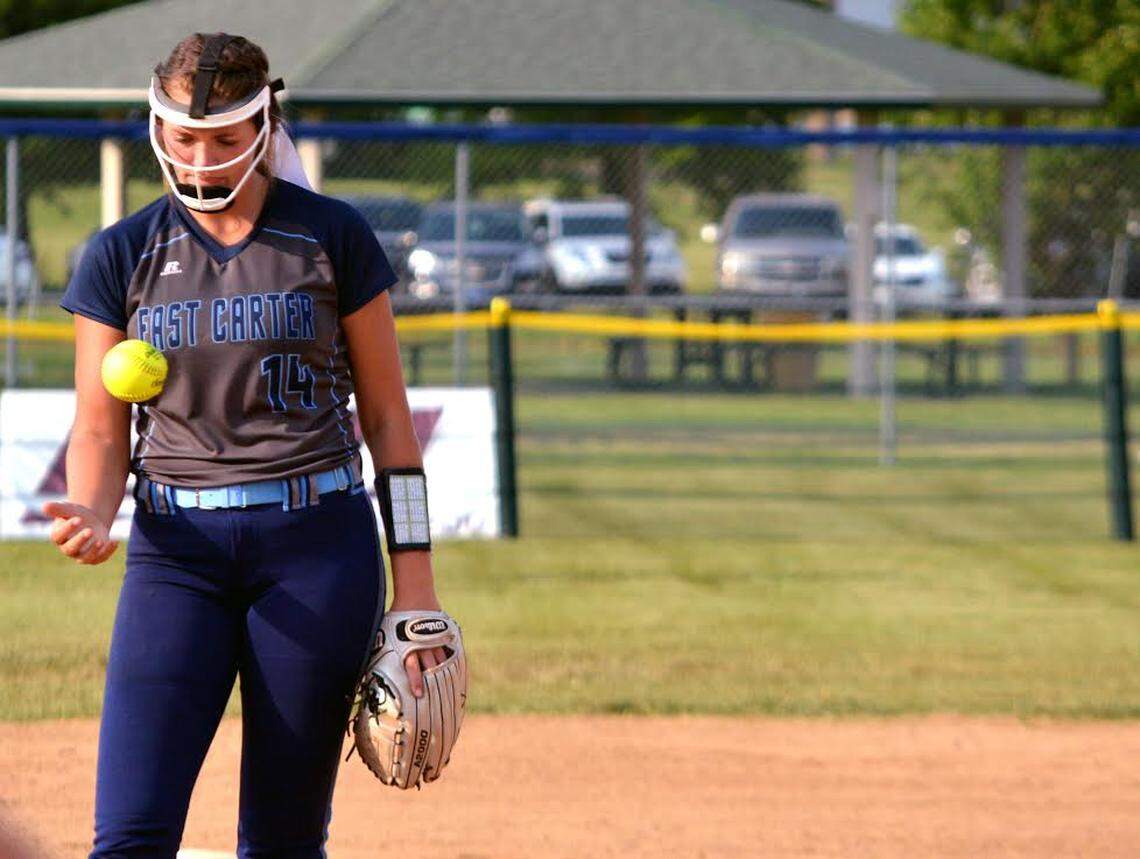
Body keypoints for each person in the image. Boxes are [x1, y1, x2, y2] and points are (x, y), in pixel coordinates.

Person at [43, 32, 448, 857]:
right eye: (185, 137)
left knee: (285, 838)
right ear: (157, 129)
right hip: (175, 554)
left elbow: (390, 426)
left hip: (316, 552)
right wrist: (91, 504)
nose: (202, 157)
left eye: (226, 137)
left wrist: (418, 591)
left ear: (265, 126)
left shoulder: (332, 237)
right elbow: (97, 424)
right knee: (128, 832)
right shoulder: (122, 252)